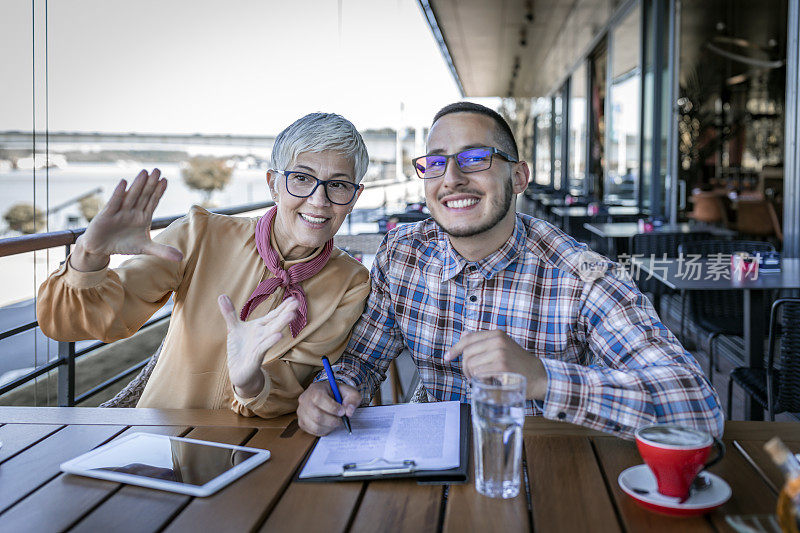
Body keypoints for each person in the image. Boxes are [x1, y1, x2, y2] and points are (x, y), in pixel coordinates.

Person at [296, 102, 723, 439]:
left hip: (541, 465)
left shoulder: (583, 273)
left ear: (518, 177)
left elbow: (696, 408)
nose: (452, 178)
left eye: (476, 158)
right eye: (436, 163)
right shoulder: (402, 253)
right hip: (427, 460)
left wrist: (541, 377)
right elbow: (363, 360)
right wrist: (329, 392)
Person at [37, 113, 371, 418]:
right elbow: (78, 324)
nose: (318, 200)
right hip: (159, 439)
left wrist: (249, 381)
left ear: (354, 198)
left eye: (338, 185)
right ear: (272, 184)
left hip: (261, 452)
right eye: (301, 178)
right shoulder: (199, 234)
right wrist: (89, 256)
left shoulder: (351, 283)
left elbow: (288, 391)